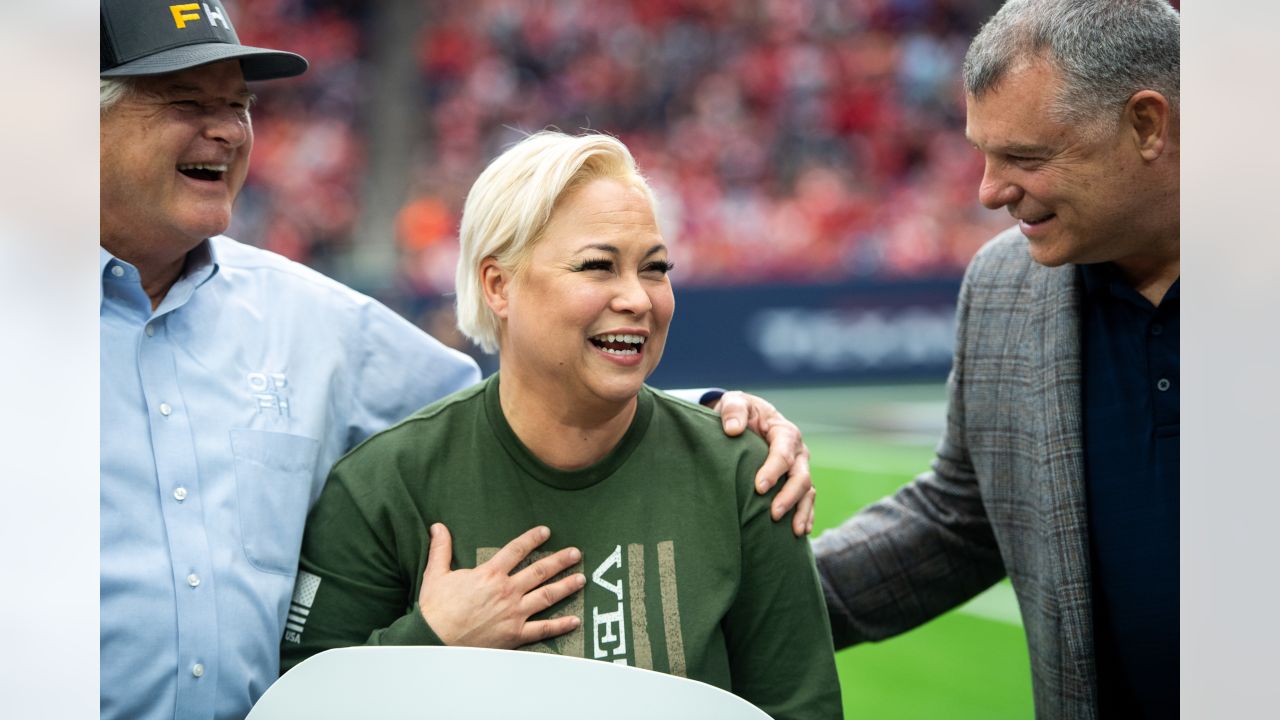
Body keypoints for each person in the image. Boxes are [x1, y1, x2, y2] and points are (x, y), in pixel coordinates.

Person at [98, 2, 815, 719]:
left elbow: (513, 403)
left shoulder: (321, 323)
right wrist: (428, 638)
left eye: (239, 104)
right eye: (186, 102)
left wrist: (708, 416)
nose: (225, 128)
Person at [280, 131, 843, 720]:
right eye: (598, 266)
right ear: (498, 285)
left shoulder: (744, 473)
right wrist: (430, 642)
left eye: (655, 269)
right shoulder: (381, 488)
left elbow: (802, 707)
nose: (638, 299)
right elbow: (300, 701)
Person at [812, 1, 1179, 718]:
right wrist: (722, 609)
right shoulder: (1006, 285)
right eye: (984, 152)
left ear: (1146, 125)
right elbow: (961, 517)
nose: (989, 191)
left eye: (1027, 157)